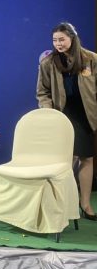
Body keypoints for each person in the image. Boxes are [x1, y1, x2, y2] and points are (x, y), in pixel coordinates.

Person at [37, 22, 97, 220]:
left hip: (87, 115)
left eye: (61, 39)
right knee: (66, 160)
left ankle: (85, 204)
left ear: (72, 38)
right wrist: (49, 112)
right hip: (62, 116)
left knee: (87, 158)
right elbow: (42, 92)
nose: (58, 44)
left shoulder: (91, 59)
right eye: (55, 40)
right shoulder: (48, 63)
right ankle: (60, 204)